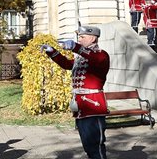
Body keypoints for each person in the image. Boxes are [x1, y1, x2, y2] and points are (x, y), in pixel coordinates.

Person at [42, 26, 109, 159]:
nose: (79, 39)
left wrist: (76, 47)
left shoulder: (101, 54)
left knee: (96, 144)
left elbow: (96, 59)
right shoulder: (82, 57)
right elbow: (67, 64)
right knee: (88, 145)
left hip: (93, 105)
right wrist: (52, 52)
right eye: (79, 37)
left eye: (82, 37)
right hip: (80, 107)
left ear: (93, 38)